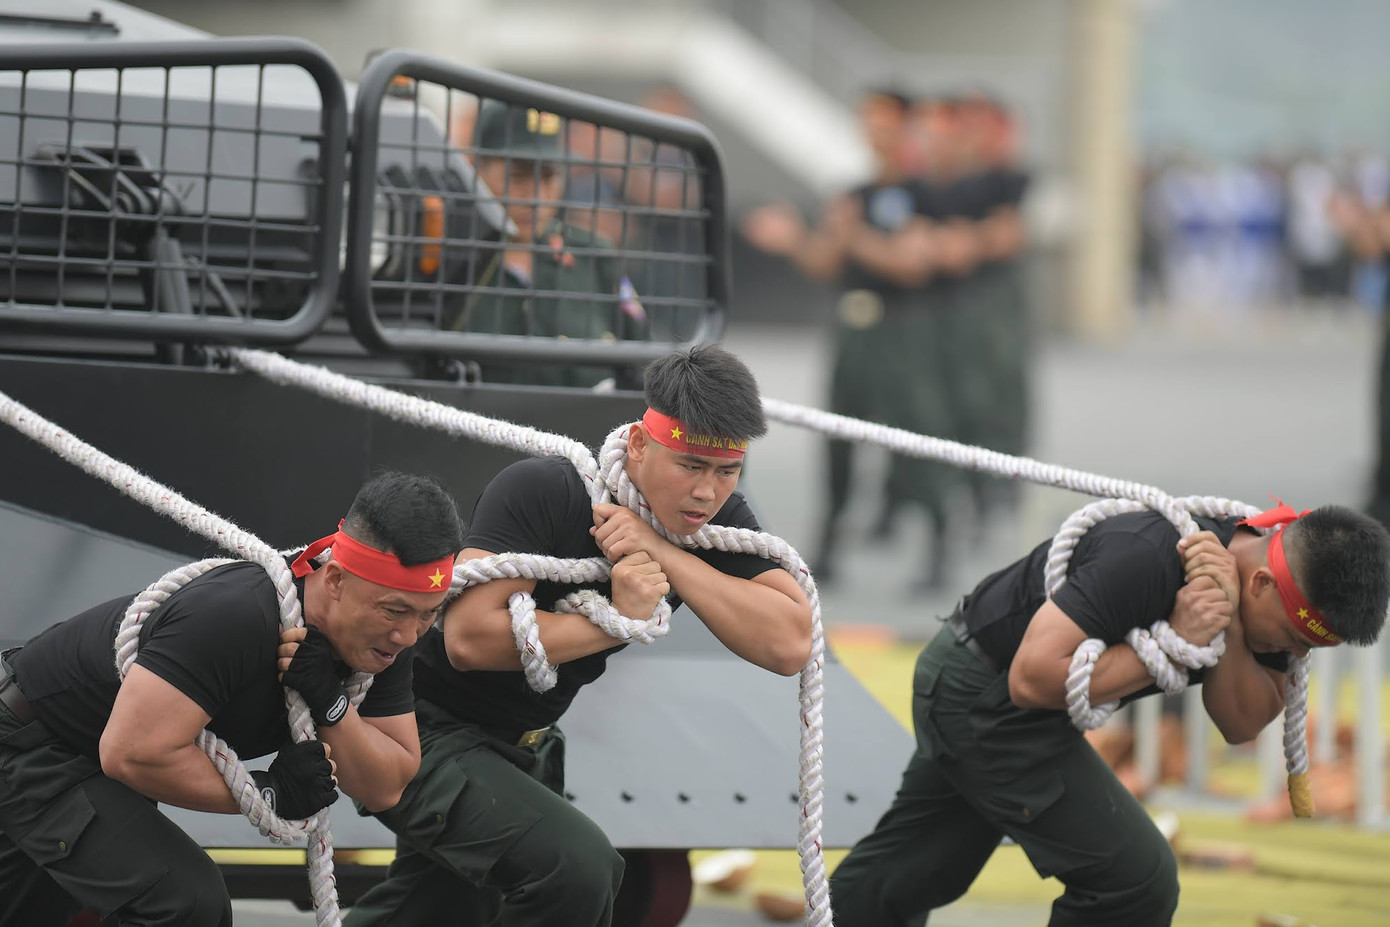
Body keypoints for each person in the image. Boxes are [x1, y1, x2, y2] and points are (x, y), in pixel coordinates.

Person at [343, 344, 813, 927]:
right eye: (690, 466)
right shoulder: (548, 489)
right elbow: (467, 639)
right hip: (419, 730)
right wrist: (618, 616)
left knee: (437, 911)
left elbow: (790, 643)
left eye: (726, 472)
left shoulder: (708, 525)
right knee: (577, 872)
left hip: (523, 745)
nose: (706, 492)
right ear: (639, 443)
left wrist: (664, 551)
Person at [828, 502, 1390, 926]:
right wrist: (1178, 639)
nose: (1293, 654)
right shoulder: (1148, 553)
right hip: (982, 693)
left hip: (999, 697)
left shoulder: (1258, 600)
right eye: (1293, 638)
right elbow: (1031, 679)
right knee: (1136, 880)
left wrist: (1233, 625)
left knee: (912, 868)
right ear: (1263, 582)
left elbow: (1241, 722)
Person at [0, 471, 464, 926]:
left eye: (428, 614)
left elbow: (387, 784)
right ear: (336, 581)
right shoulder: (236, 614)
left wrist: (330, 702)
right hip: (36, 744)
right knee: (185, 905)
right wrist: (271, 792)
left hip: (93, 757)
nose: (409, 634)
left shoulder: (384, 638)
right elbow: (131, 752)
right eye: (395, 611)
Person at [743, 88, 958, 590]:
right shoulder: (855, 193)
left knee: (917, 439)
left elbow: (911, 264)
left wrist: (854, 233)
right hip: (855, 328)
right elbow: (827, 263)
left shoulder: (926, 194)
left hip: (906, 332)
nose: (873, 131)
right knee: (838, 437)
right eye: (868, 120)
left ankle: (938, 546)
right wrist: (794, 238)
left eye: (884, 120)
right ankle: (830, 544)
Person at [445, 99, 648, 388]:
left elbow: (645, 359)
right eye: (518, 177)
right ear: (475, 168)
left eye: (549, 176)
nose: (536, 196)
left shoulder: (593, 256)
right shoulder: (445, 257)